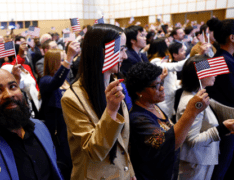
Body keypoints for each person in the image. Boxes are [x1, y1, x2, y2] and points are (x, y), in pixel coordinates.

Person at [61, 24, 136, 180]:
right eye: (121, 49)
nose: (125, 56)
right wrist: (111, 111)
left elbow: (122, 142)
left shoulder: (115, 84)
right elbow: (94, 151)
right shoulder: (72, 98)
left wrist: (129, 172)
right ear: (104, 53)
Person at [126, 62, 209, 180]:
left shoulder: (153, 106)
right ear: (139, 92)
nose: (162, 88)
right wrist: (191, 112)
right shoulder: (138, 118)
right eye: (156, 85)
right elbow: (168, 144)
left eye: (162, 82)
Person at [177, 55, 234, 180]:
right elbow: (192, 140)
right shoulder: (192, 102)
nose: (216, 75)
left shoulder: (197, 95)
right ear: (200, 75)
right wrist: (222, 129)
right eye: (211, 71)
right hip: (195, 163)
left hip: (201, 160)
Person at [39, 45, 79, 179]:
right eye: (62, 59)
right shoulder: (45, 81)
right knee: (64, 161)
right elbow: (55, 82)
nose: (66, 62)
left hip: (70, 124)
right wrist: (69, 58)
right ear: (53, 62)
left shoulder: (66, 81)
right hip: (58, 129)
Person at [206, 18, 234, 180]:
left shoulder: (216, 57)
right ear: (232, 37)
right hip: (225, 120)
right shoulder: (224, 60)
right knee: (223, 167)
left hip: (219, 120)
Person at [148, 38, 190, 119]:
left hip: (170, 99)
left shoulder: (165, 59)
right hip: (163, 101)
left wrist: (180, 83)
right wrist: (193, 58)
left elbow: (171, 80)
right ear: (162, 46)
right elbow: (177, 66)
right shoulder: (155, 62)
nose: (169, 43)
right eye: (166, 42)